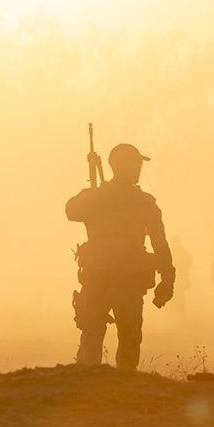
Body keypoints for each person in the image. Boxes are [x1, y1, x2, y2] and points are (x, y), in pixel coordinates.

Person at [66, 143, 175, 371]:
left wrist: (95, 193)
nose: (139, 169)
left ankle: (94, 386)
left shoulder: (104, 197)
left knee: (97, 336)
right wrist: (167, 278)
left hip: (105, 279)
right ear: (122, 165)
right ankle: (117, 389)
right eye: (136, 163)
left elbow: (72, 210)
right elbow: (160, 244)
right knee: (125, 338)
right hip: (124, 281)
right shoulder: (143, 202)